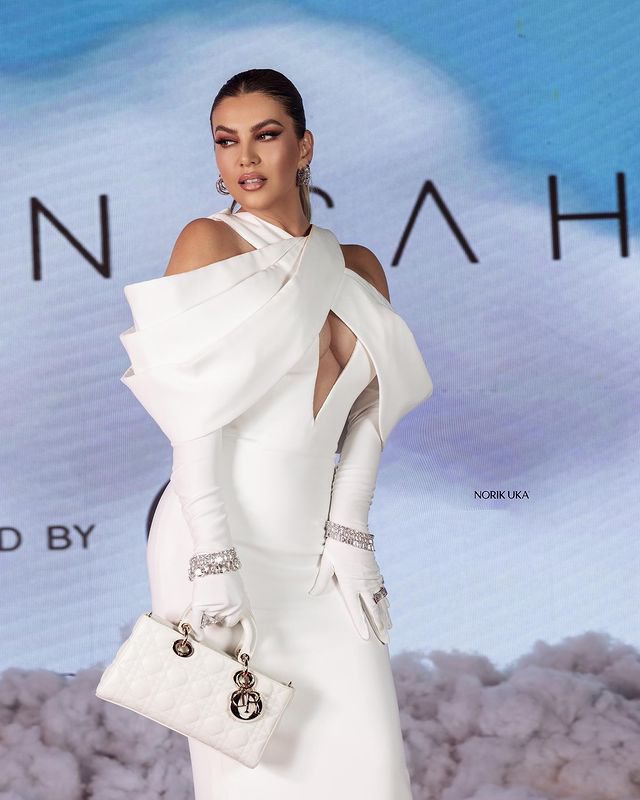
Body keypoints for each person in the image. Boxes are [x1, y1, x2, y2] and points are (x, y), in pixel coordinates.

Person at [118, 68, 433, 799]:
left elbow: (371, 410)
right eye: (226, 141)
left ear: (304, 146)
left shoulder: (356, 266)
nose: (245, 158)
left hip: (322, 547)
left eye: (265, 136)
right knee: (252, 773)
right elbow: (192, 421)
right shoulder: (208, 241)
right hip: (218, 533)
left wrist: (351, 529)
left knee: (370, 770)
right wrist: (213, 558)